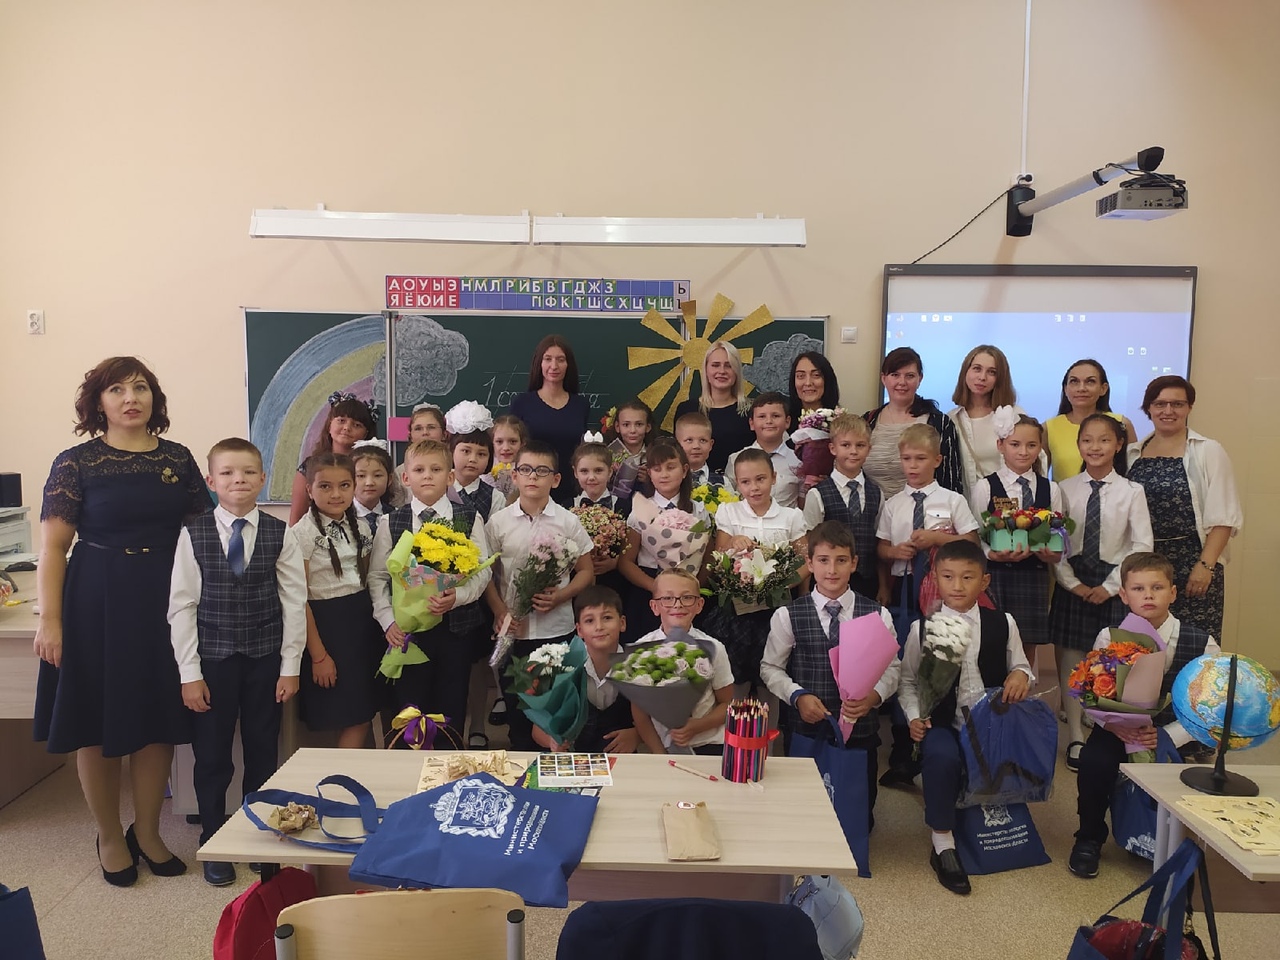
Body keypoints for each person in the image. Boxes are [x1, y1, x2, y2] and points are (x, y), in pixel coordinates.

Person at [34, 356, 210, 887]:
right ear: (99, 403)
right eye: (117, 389)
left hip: (165, 597)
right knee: (96, 722)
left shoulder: (178, 459)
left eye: (140, 387)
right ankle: (109, 835)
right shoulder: (76, 462)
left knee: (158, 719)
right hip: (97, 598)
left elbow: (204, 534)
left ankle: (148, 831)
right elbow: (53, 548)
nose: (131, 398)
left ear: (154, 398)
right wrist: (51, 620)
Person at [167, 438, 306, 886]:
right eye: (227, 473)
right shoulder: (193, 533)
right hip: (213, 663)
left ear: (262, 478)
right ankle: (214, 837)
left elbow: (294, 601)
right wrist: (190, 674)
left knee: (263, 751)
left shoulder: (280, 532)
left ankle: (259, 836)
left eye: (247, 472)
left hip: (265, 659)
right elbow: (182, 606)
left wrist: (290, 667)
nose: (238, 480)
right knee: (212, 756)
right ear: (211, 481)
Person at [1067, 552, 1220, 879]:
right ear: (1124, 595)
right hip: (1117, 728)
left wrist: (1167, 735)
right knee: (1094, 763)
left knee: (1177, 780)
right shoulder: (1109, 636)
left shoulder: (1202, 642)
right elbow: (1092, 692)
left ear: (1173, 593)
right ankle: (1089, 836)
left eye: (1157, 587)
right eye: (1138, 589)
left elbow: (1210, 706)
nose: (1148, 595)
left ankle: (1168, 839)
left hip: (1173, 732)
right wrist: (1115, 726)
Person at [899, 539, 1035, 895]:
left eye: (967, 577)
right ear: (935, 579)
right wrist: (914, 716)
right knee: (941, 756)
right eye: (948, 577)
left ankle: (999, 823)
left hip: (992, 722)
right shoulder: (923, 629)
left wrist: (1021, 675)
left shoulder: (1003, 623)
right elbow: (908, 681)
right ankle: (942, 842)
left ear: (984, 581)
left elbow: (1022, 666)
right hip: (943, 721)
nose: (957, 586)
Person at [761, 521, 898, 828]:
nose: (832, 570)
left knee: (858, 817)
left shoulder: (878, 614)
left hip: (860, 732)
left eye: (841, 560)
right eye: (823, 560)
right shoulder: (788, 615)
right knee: (805, 813)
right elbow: (770, 668)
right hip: (806, 730)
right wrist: (797, 696)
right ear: (809, 564)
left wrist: (875, 696)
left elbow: (892, 667)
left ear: (854, 563)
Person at [875, 423, 980, 787]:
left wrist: (936, 538)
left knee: (939, 662)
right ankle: (904, 746)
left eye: (920, 458)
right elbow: (881, 548)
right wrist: (895, 553)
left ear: (938, 460)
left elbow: (971, 542)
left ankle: (942, 735)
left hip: (943, 593)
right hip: (905, 590)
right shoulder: (894, 503)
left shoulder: (953, 500)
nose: (913, 466)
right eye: (907, 459)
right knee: (906, 662)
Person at [369, 439, 492, 743]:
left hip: (454, 630)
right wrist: (388, 621)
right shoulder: (391, 522)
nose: (427, 476)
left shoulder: (468, 518)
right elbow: (378, 576)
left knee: (451, 706)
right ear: (405, 478)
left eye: (436, 470)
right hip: (407, 633)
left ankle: (449, 764)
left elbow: (483, 570)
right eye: (419, 470)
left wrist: (457, 597)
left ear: (449, 477)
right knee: (408, 708)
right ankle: (406, 767)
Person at [1049, 414, 1153, 770]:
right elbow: (1055, 542)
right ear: (1078, 445)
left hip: (1115, 582)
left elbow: (1141, 545)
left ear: (1119, 445)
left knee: (1109, 658)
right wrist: (1072, 583)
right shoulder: (1063, 489)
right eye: (1087, 440)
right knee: (1072, 657)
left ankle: (1104, 725)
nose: (1095, 447)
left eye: (1104, 440)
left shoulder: (1132, 491)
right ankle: (1076, 734)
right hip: (1074, 580)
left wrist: (1110, 587)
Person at [484, 441, 596, 750]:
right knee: (518, 712)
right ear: (515, 476)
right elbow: (486, 576)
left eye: (542, 471)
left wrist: (561, 595)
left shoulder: (568, 521)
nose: (533, 476)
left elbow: (586, 572)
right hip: (513, 633)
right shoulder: (499, 523)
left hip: (555, 632)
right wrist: (500, 611)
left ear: (555, 479)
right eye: (525, 469)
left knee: (553, 714)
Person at [1127, 375, 1242, 640]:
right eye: (1160, 404)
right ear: (1148, 408)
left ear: (1189, 407)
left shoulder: (1207, 450)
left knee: (1194, 644)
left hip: (1193, 563)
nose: (1168, 411)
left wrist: (1205, 565)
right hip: (1144, 565)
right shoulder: (1133, 452)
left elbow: (1224, 516)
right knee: (1144, 644)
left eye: (1177, 404)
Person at [290, 453, 380, 748]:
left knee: (363, 711)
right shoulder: (301, 534)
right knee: (345, 714)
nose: (336, 494)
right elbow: (298, 598)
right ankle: (337, 774)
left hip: (360, 625)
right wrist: (318, 655)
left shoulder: (362, 527)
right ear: (309, 490)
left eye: (344, 485)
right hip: (326, 626)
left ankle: (349, 771)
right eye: (325, 486)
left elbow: (367, 577)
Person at [705, 448, 808, 692]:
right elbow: (719, 556)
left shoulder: (791, 516)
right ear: (737, 484)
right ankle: (736, 718)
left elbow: (806, 561)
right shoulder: (729, 511)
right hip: (737, 612)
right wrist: (733, 542)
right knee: (735, 680)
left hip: (776, 610)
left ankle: (771, 717)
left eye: (760, 479)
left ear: (774, 478)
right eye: (745, 482)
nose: (754, 488)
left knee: (772, 677)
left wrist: (780, 586)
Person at [968, 409, 1063, 660]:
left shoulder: (1050, 488)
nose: (1023, 451)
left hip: (1034, 574)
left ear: (1040, 448)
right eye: (1015, 444)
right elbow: (975, 533)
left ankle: (1024, 685)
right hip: (995, 575)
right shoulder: (986, 486)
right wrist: (991, 553)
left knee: (1027, 644)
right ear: (1000, 445)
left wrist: (1052, 553)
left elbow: (1058, 531)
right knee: (993, 640)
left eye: (1031, 445)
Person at [631, 569, 736, 755]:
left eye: (687, 597)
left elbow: (727, 704)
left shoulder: (714, 648)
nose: (677, 605)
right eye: (667, 598)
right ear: (655, 606)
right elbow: (640, 714)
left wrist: (697, 726)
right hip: (664, 748)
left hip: (709, 744)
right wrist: (659, 754)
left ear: (699, 605)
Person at [530, 586, 643, 754]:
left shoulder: (637, 666)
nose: (599, 626)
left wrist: (638, 735)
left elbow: (657, 721)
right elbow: (537, 730)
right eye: (589, 621)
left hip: (622, 758)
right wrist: (552, 741)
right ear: (579, 630)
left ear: (622, 623)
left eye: (607, 618)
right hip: (574, 759)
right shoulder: (561, 667)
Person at [617, 438, 709, 641]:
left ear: (684, 470)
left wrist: (692, 588)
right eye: (657, 469)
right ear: (649, 473)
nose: (664, 474)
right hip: (648, 589)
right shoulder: (640, 509)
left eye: (671, 467)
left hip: (686, 593)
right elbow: (626, 562)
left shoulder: (698, 510)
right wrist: (656, 588)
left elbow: (708, 557)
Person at [803, 412, 888, 604]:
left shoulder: (876, 493)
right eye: (846, 445)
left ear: (869, 449)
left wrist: (884, 586)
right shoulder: (817, 494)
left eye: (860, 445)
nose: (853, 451)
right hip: (828, 583)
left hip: (868, 583)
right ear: (833, 448)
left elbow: (879, 541)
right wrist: (805, 590)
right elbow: (809, 545)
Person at [864, 347, 964, 497]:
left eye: (909, 376)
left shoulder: (940, 423)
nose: (902, 382)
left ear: (920, 379)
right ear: (884, 378)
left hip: (924, 509)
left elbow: (950, 483)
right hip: (872, 509)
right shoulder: (867, 421)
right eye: (895, 375)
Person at [947, 345, 1044, 495]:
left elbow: (1038, 459)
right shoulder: (952, 419)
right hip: (967, 504)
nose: (982, 377)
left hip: (1010, 503)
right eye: (977, 369)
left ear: (1000, 378)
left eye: (991, 372)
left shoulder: (1014, 415)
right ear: (966, 371)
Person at [509, 335, 591, 506]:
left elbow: (583, 451)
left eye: (560, 360)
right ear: (539, 363)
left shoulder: (580, 405)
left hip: (570, 491)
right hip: (532, 487)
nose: (554, 366)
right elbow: (511, 447)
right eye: (548, 359)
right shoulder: (522, 403)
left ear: (568, 365)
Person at [288, 393, 377, 524]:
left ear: (366, 434)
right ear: (329, 424)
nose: (347, 428)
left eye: (357, 425)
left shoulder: (373, 467)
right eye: (341, 421)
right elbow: (296, 521)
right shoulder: (308, 467)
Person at [1044, 359, 1136, 481]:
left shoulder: (1122, 424)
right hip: (1063, 493)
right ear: (1065, 389)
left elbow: (1134, 472)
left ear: (1103, 388)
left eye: (1090, 381)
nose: (1081, 388)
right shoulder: (1049, 428)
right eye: (1074, 381)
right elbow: (1039, 476)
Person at [673, 341, 755, 475]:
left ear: (737, 371)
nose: (722, 371)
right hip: (693, 482)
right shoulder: (687, 409)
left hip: (742, 483)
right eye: (715, 365)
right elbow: (677, 454)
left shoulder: (751, 410)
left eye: (729, 366)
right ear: (706, 370)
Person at [724, 391, 802, 508]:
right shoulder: (735, 459)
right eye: (762, 416)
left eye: (775, 416)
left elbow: (803, 503)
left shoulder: (799, 460)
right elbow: (729, 498)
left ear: (787, 422)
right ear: (751, 423)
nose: (769, 421)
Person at [447, 402, 505, 523]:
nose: (473, 459)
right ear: (452, 451)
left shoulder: (495, 497)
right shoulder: (437, 485)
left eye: (481, 454)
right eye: (466, 451)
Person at [606, 397, 654, 498]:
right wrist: (609, 476)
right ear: (617, 427)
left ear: (648, 427)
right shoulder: (606, 455)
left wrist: (651, 479)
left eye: (639, 424)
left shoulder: (655, 456)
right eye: (626, 425)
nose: (632, 430)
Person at [351, 440, 396, 529]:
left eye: (377, 475)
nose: (369, 483)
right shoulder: (340, 515)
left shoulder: (397, 515)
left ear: (389, 479)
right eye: (361, 476)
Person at [675, 411, 722, 487]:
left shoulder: (722, 483)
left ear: (710, 445)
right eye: (689, 440)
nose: (696, 446)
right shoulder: (668, 481)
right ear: (677, 444)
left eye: (703, 440)